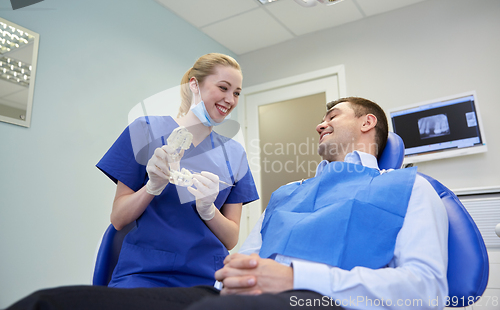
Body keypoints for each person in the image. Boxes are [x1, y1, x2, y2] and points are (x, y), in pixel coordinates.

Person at [6, 97, 448, 310]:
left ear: (368, 123)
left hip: (317, 301)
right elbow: (242, 259)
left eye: (333, 116)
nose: (320, 124)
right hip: (227, 297)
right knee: (52, 304)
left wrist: (295, 277)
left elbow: (426, 290)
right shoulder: (288, 195)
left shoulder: (409, 188)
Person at [95, 53, 259, 288]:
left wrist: (208, 209)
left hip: (205, 278)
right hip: (143, 274)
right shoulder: (145, 130)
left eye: (236, 93)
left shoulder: (234, 154)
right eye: (223, 88)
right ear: (194, 85)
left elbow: (231, 238)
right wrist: (151, 187)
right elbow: (119, 219)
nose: (230, 99)